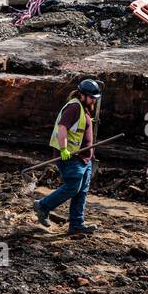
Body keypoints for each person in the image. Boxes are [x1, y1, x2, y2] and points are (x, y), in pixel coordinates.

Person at [34, 78, 102, 234]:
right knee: (72, 187)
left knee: (82, 191)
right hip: (70, 157)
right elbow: (63, 128)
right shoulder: (74, 108)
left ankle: (76, 224)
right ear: (82, 95)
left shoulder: (84, 108)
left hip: (84, 158)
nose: (94, 101)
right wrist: (64, 149)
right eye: (92, 98)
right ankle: (43, 206)